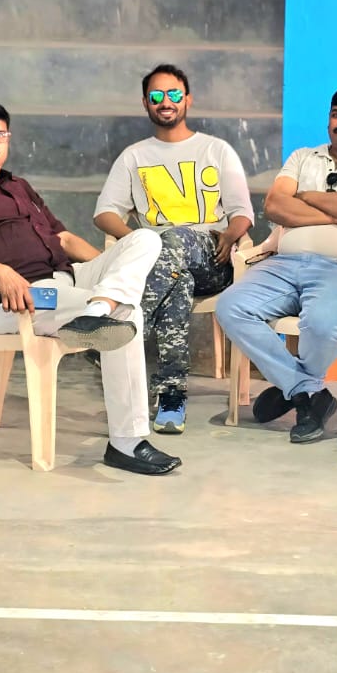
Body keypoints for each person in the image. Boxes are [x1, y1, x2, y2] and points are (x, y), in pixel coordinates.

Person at [0, 96, 181, 477]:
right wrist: (0, 272)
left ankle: (97, 309)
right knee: (129, 310)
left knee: (145, 241)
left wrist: (113, 271)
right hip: (14, 298)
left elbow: (66, 240)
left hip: (66, 280)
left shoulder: (18, 186)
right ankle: (126, 442)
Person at [216, 85, 337, 444]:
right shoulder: (303, 157)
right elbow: (274, 206)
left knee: (321, 323)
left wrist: (305, 198)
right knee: (231, 306)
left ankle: (297, 391)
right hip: (284, 263)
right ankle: (307, 393)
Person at [94, 64, 254, 435]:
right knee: (173, 276)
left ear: (188, 100)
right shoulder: (134, 156)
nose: (166, 102)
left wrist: (231, 234)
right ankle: (171, 397)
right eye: (156, 96)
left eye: (174, 94)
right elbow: (104, 213)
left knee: (175, 237)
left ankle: (122, 326)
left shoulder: (216, 149)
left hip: (212, 259)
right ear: (146, 104)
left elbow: (243, 212)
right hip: (163, 264)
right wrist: (138, 239)